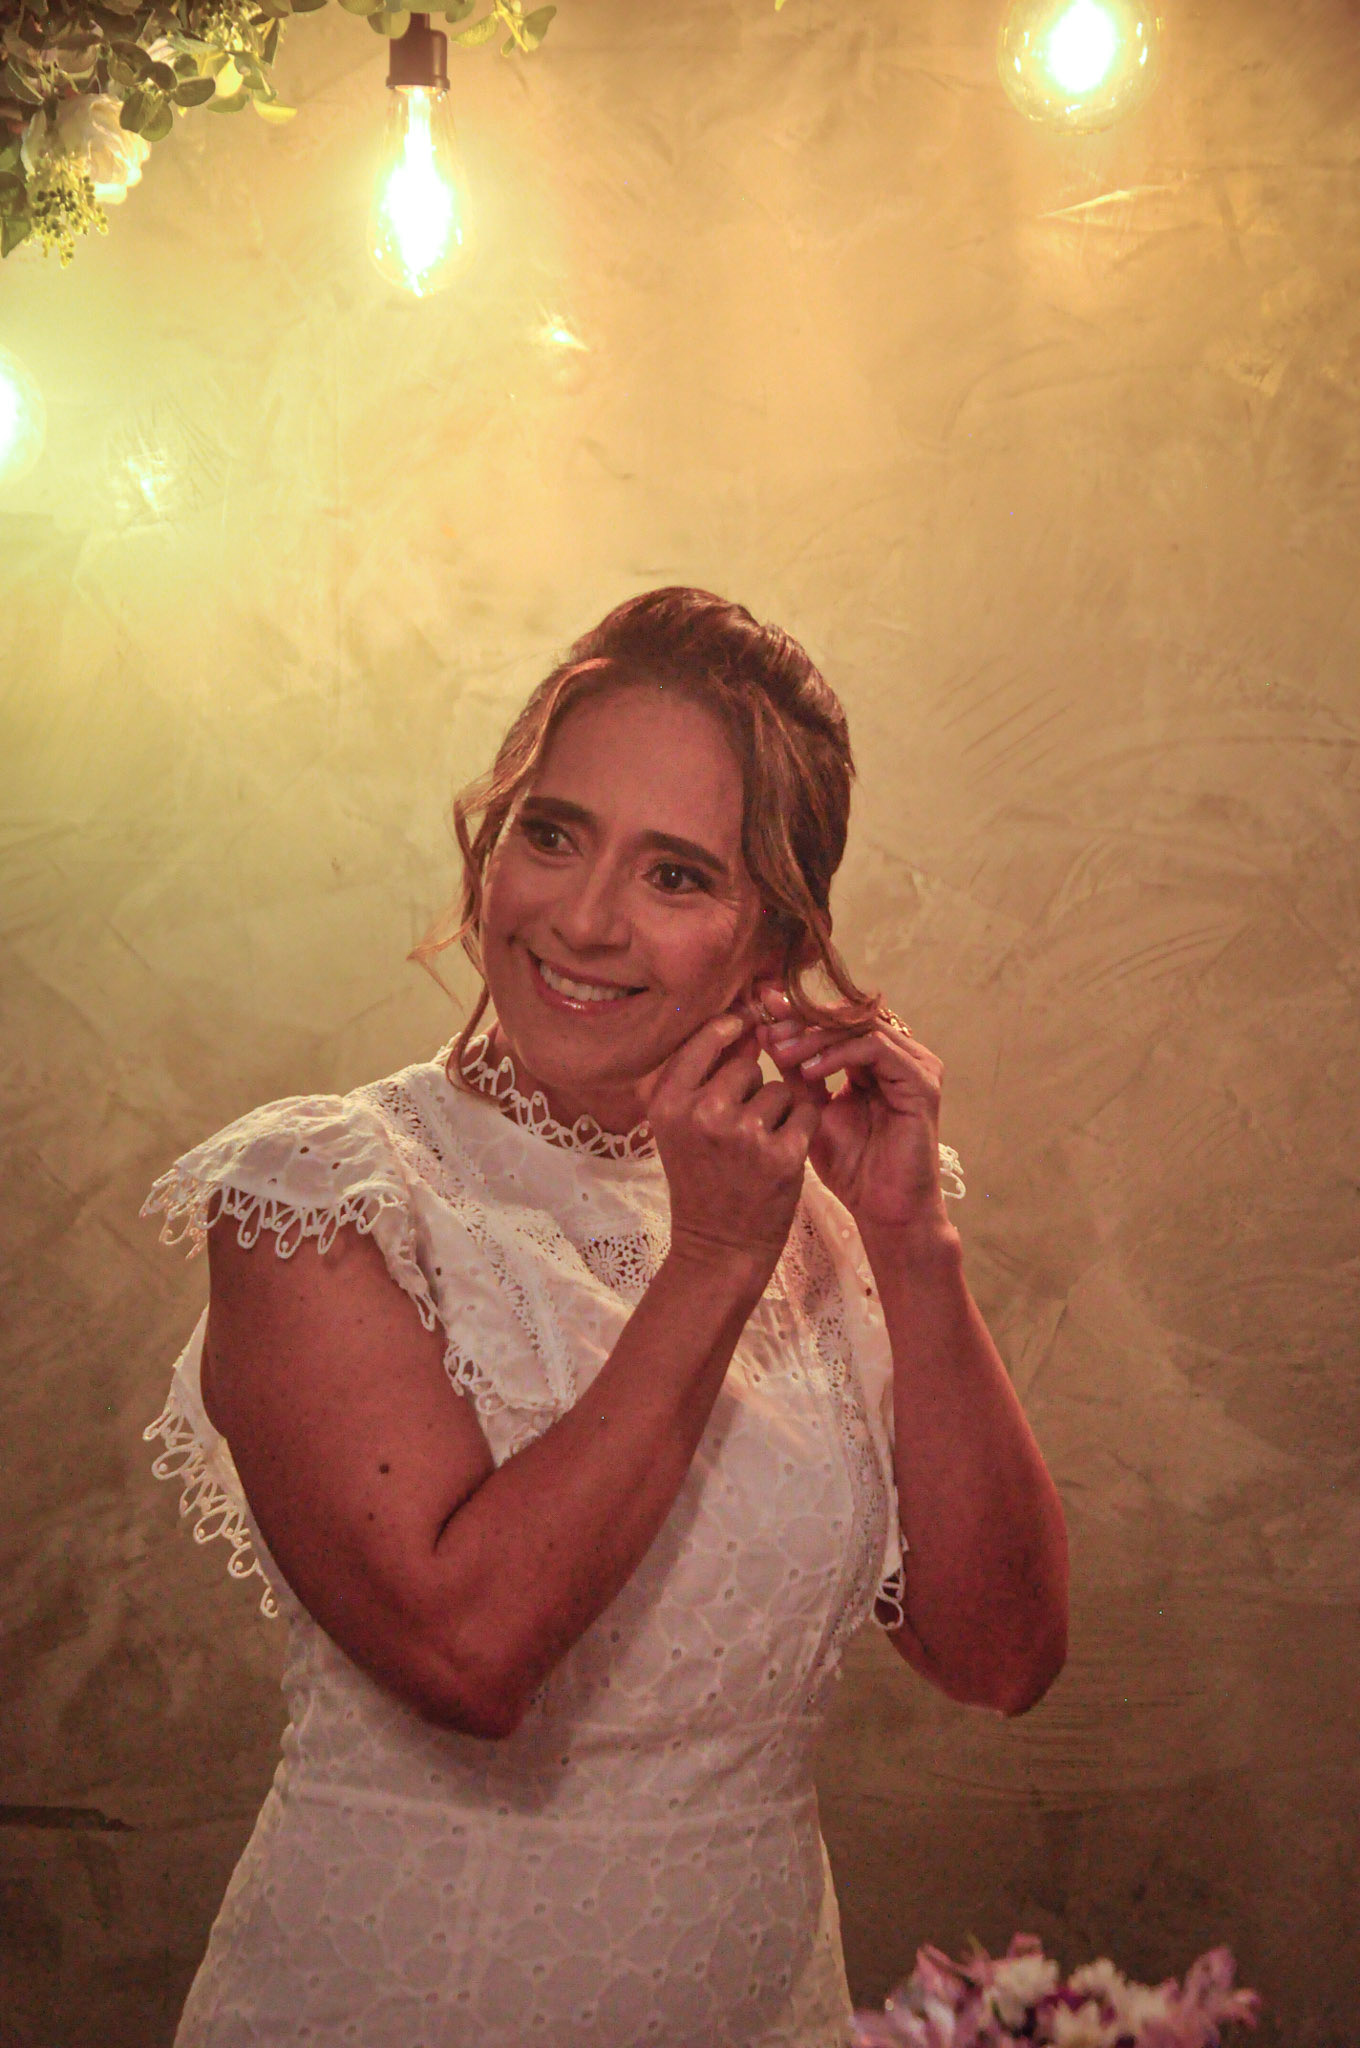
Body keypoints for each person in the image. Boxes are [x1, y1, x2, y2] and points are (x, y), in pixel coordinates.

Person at [142, 587, 1068, 2048]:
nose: (581, 918)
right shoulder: (322, 1194)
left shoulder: (828, 1215)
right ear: (491, 843)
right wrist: (715, 1256)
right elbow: (467, 1656)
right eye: (553, 834)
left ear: (773, 942)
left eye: (676, 874)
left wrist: (911, 1242)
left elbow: (1002, 1659)